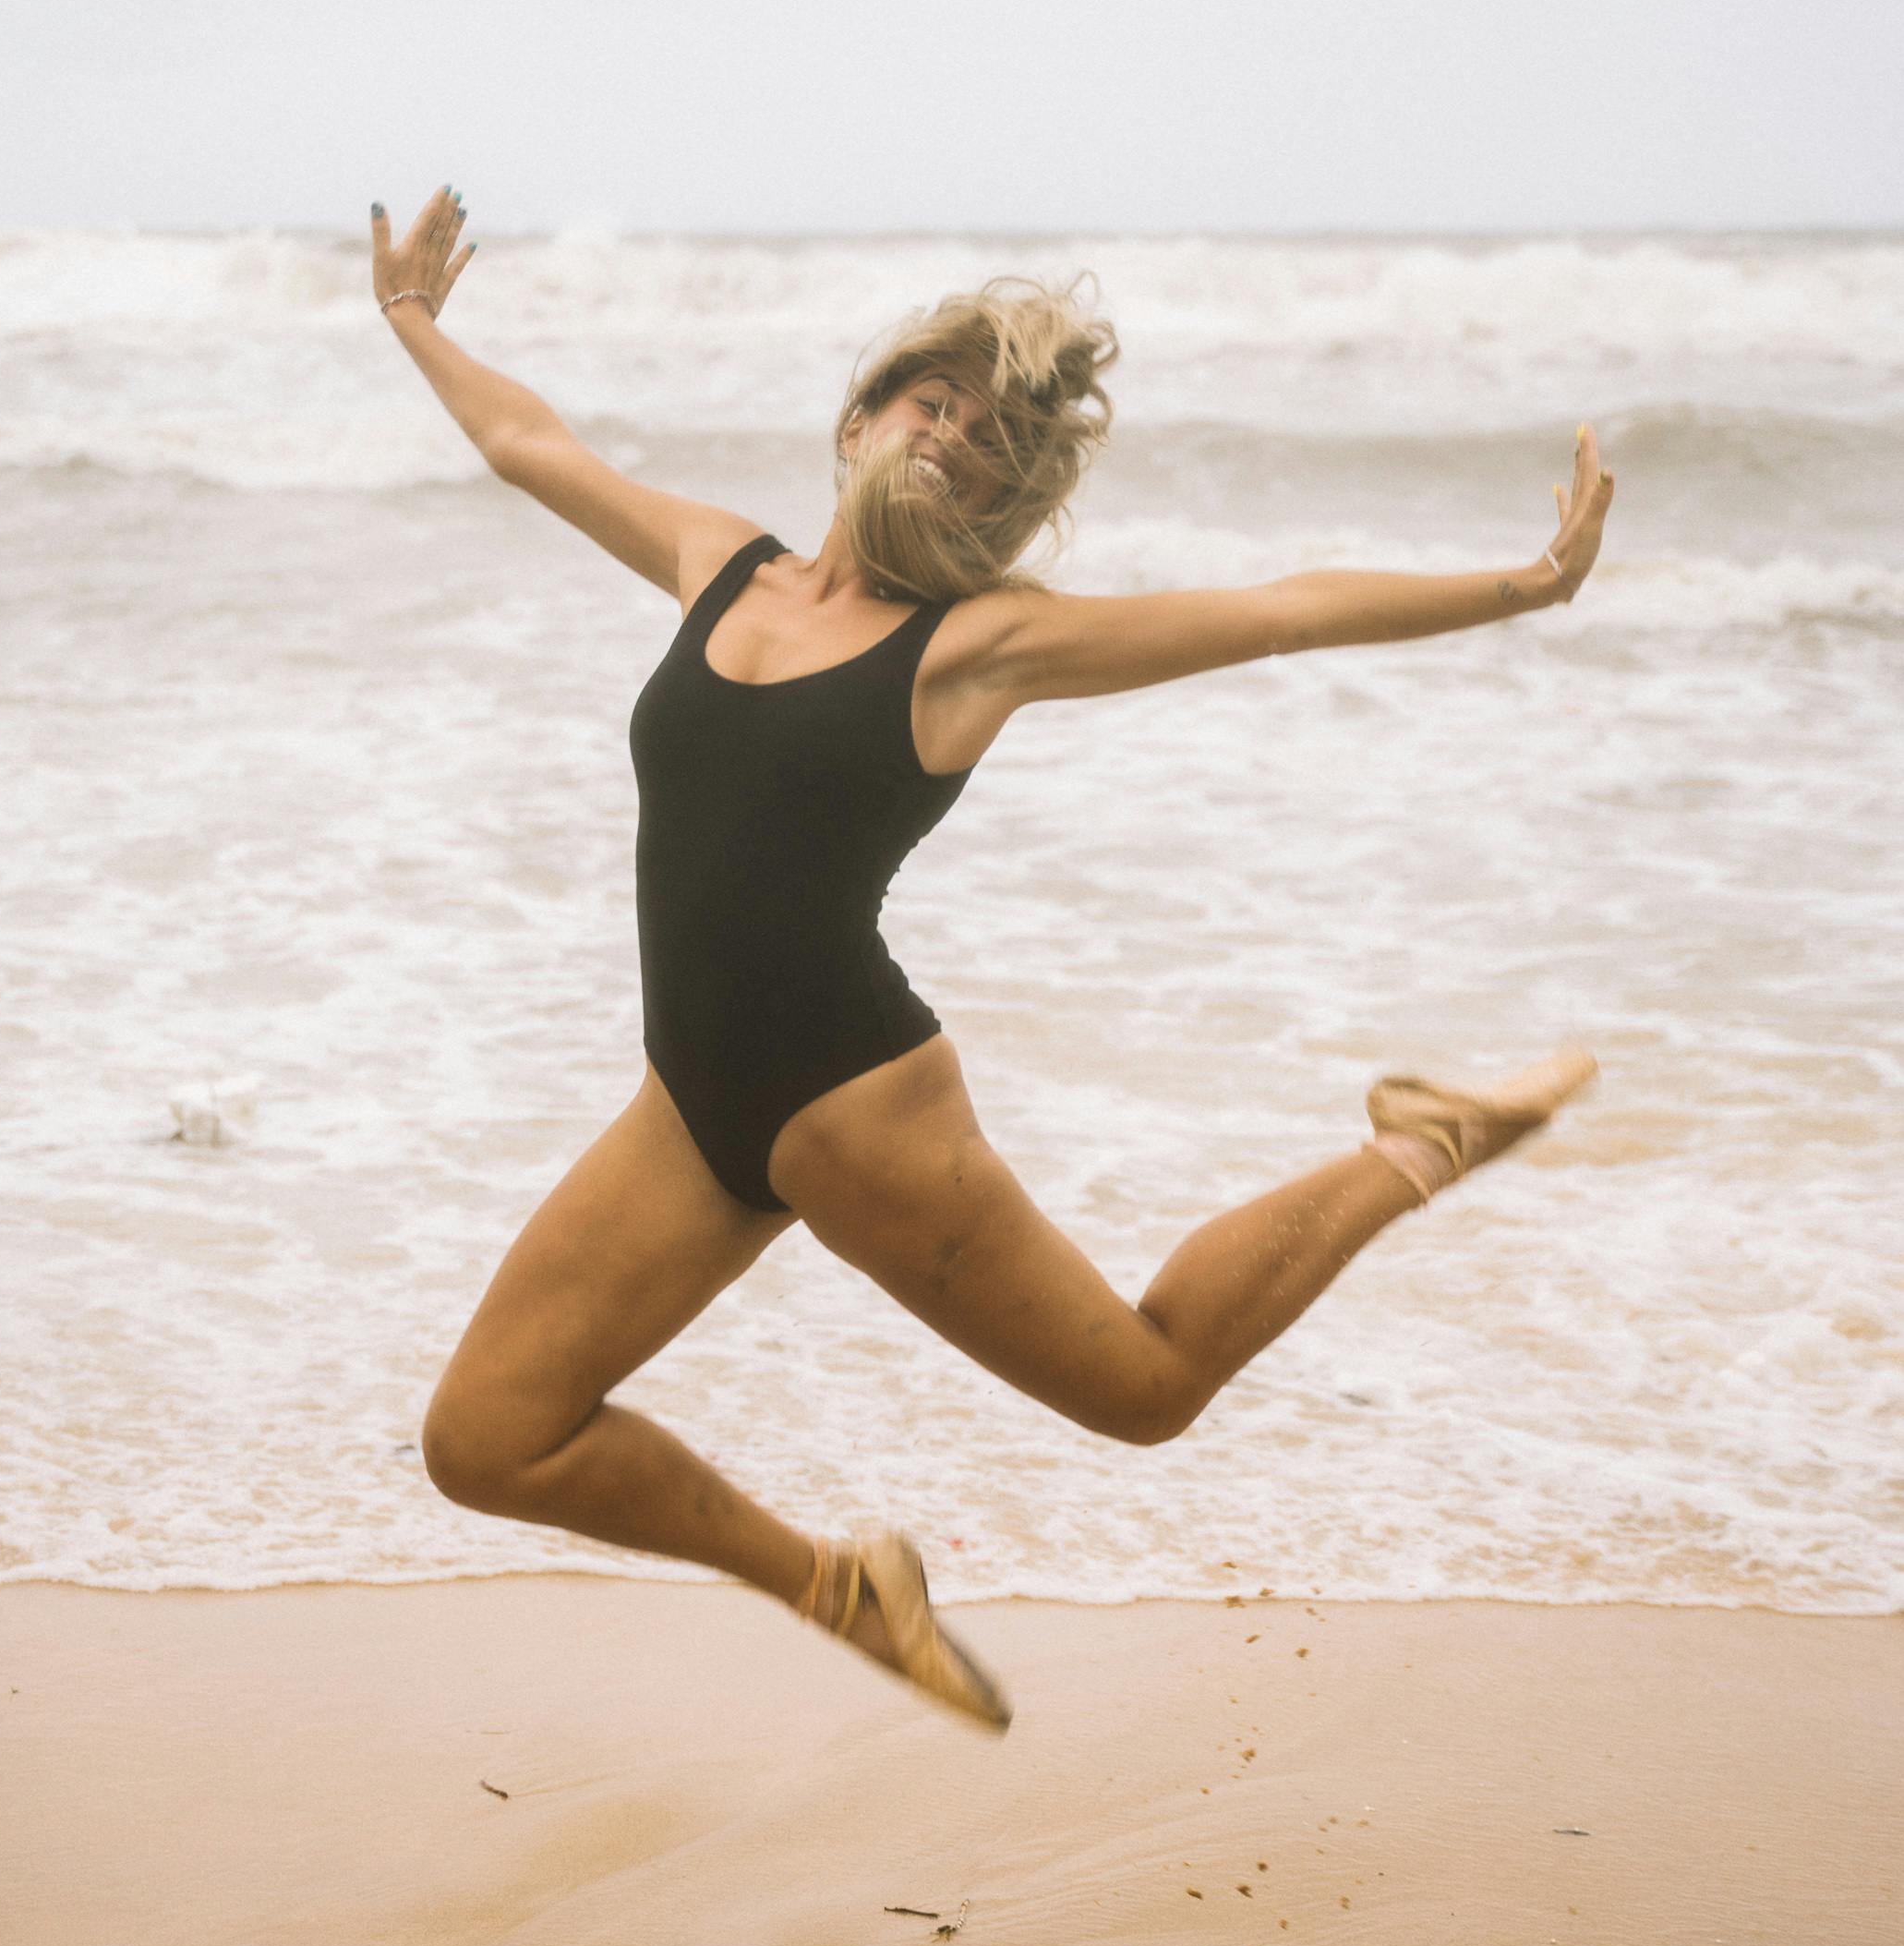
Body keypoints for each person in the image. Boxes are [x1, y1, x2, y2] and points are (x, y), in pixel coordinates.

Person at [370, 188, 1615, 1734]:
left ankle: (1418, 1142)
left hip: (854, 1100)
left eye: (987, 443)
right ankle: (840, 1588)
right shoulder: (720, 567)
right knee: (485, 1440)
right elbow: (531, 448)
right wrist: (415, 320)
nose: (949, 436)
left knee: (1146, 1390)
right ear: (862, 414)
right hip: (690, 1108)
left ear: (998, 506)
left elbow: (1274, 614)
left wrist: (1522, 585)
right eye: (931, 400)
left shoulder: (977, 643)